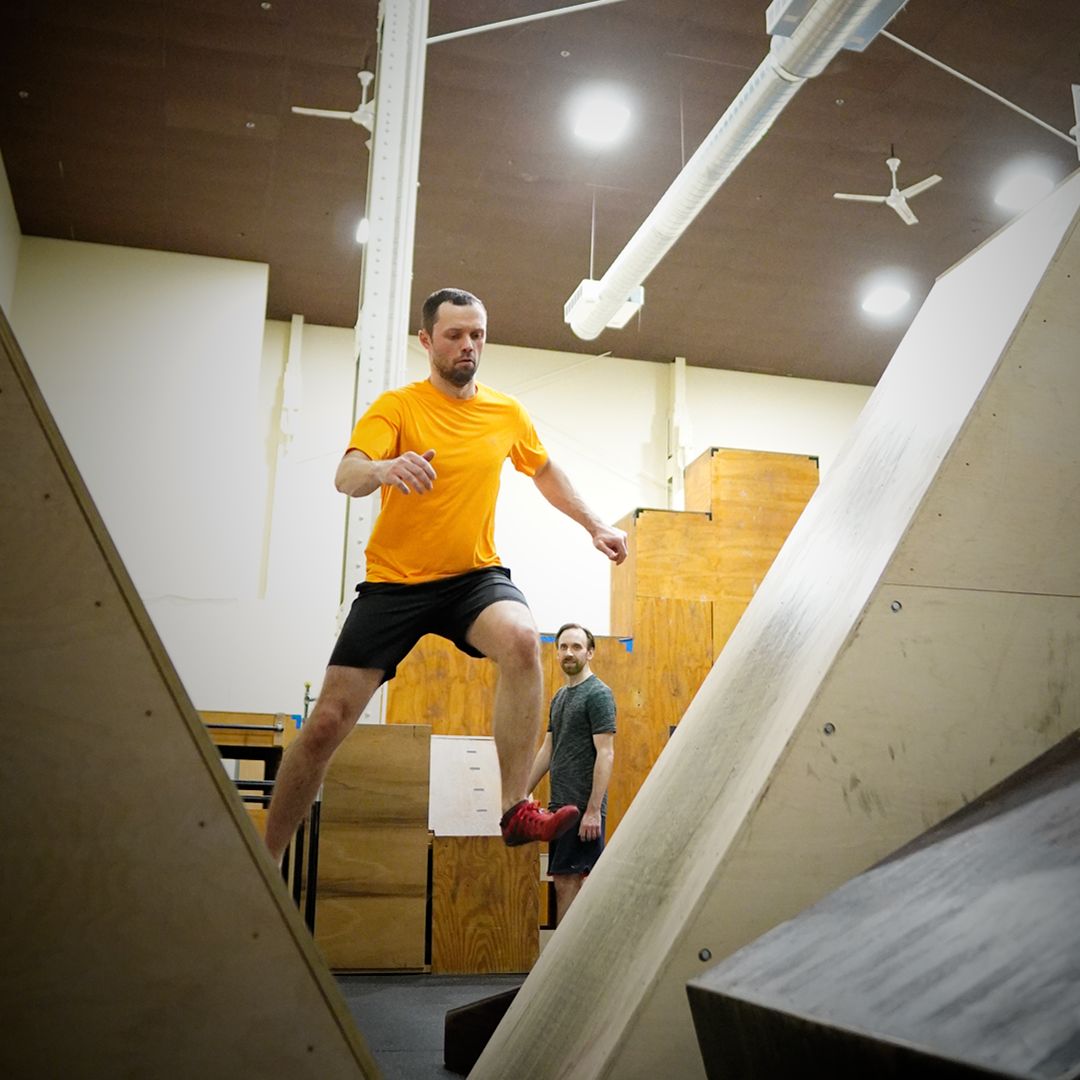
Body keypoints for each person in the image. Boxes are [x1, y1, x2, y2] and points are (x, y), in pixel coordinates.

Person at [263, 288, 627, 862]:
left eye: (477, 334)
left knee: (523, 638)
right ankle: (268, 856)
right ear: (427, 340)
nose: (468, 345)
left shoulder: (505, 412)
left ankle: (513, 810)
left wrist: (595, 524)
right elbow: (346, 475)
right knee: (328, 721)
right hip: (394, 585)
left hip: (471, 578)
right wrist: (384, 466)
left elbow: (544, 468)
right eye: (454, 335)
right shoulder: (398, 407)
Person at [527, 622, 616, 924]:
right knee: (564, 880)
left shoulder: (598, 694)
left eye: (577, 646)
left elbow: (606, 753)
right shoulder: (560, 697)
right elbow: (548, 750)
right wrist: (522, 792)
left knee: (574, 881)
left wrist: (593, 810)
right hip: (558, 807)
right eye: (563, 647)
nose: (569, 652)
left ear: (590, 653)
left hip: (582, 809)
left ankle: (567, 965)